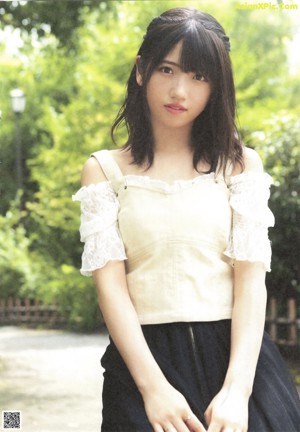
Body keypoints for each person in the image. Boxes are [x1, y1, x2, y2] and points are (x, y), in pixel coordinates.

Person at [73, 7, 300, 432]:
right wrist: (153, 389)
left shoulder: (239, 166)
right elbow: (112, 289)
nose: (180, 90)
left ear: (217, 86)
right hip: (144, 366)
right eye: (167, 69)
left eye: (199, 76)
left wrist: (237, 391)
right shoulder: (105, 171)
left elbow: (251, 281)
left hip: (238, 363)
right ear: (141, 70)